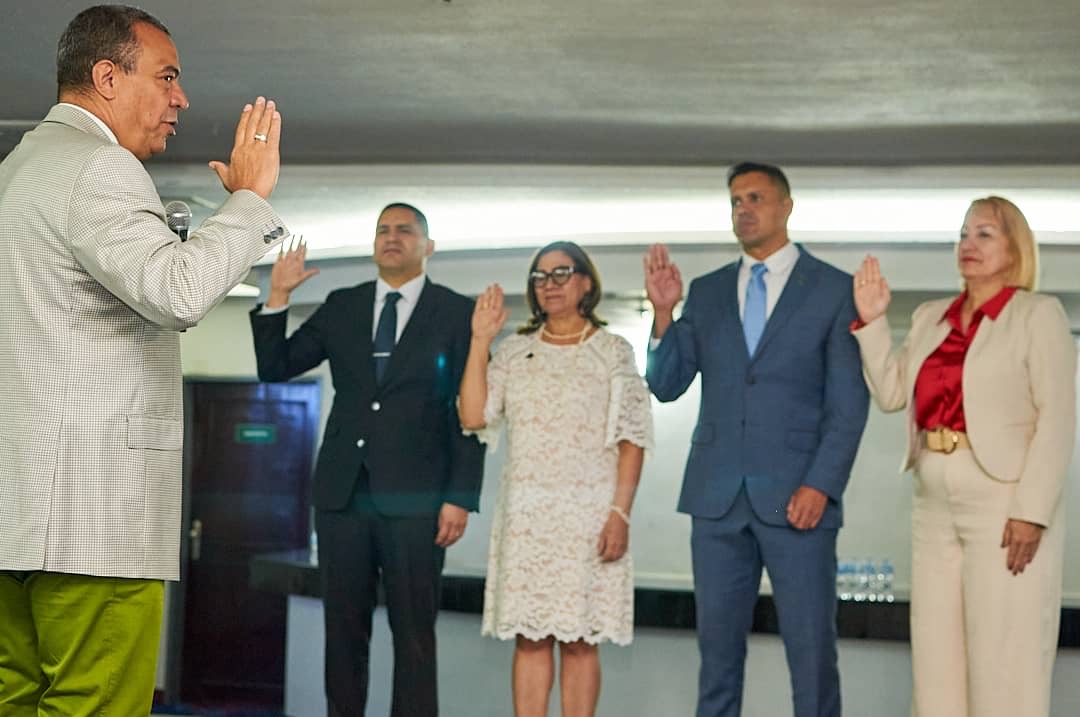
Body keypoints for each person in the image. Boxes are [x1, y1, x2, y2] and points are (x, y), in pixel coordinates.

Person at [0, 5, 287, 714]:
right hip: (91, 520)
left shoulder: (17, 170)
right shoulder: (99, 166)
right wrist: (249, 202)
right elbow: (178, 291)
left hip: (18, 516)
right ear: (106, 78)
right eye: (166, 76)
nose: (180, 98)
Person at [643, 162, 869, 717]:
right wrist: (664, 313)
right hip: (716, 500)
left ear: (786, 206)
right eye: (735, 201)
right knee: (716, 659)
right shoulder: (707, 291)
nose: (743, 209)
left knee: (812, 657)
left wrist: (821, 485)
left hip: (800, 501)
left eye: (755, 198)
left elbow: (848, 405)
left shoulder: (834, 290)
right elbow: (666, 385)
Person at [250, 202, 484, 716]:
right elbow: (275, 367)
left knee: (414, 635)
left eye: (405, 230)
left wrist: (460, 496)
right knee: (342, 631)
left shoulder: (456, 313)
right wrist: (279, 296)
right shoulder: (343, 305)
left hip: (419, 501)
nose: (391, 238)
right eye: (383, 230)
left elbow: (469, 413)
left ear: (428, 246)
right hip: (343, 495)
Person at [851, 196, 1075, 717]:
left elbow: (1058, 419)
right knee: (935, 653)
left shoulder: (1038, 315)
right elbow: (891, 393)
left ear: (1015, 249)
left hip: (1004, 499)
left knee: (1004, 651)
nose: (967, 245)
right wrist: (874, 322)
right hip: (932, 496)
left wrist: (1032, 511)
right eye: (962, 234)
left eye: (984, 234)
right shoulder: (931, 317)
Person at [458, 241, 652, 717]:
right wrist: (481, 341)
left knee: (581, 640)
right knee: (529, 638)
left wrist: (620, 513)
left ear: (586, 283)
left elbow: (632, 438)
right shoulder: (514, 351)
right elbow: (473, 415)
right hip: (527, 520)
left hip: (590, 519)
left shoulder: (612, 351)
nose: (550, 285)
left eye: (561, 273)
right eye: (540, 277)